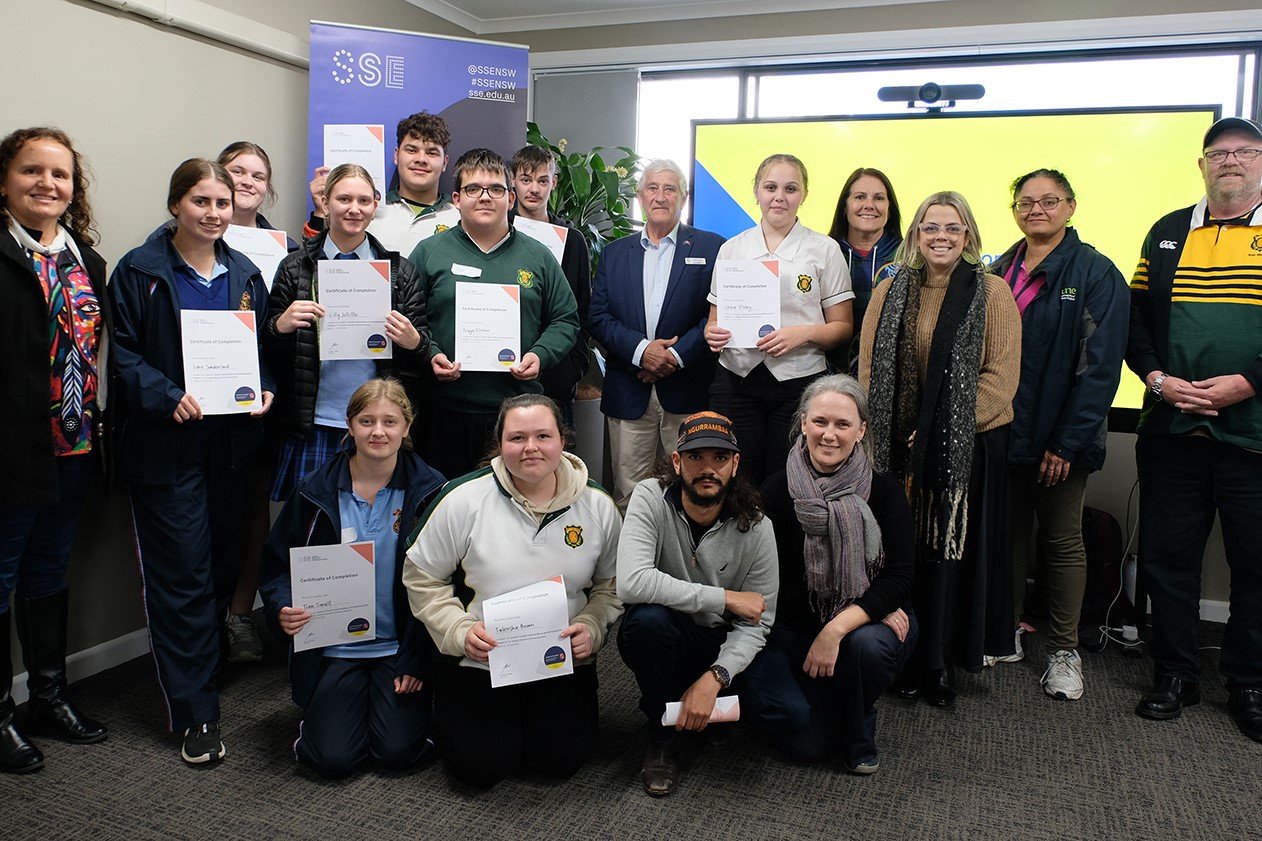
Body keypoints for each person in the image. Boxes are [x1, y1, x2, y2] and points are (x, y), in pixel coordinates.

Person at [108, 158, 274, 765]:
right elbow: (121, 356)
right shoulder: (141, 271)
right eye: (200, 201)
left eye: (222, 204)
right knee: (181, 574)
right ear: (176, 203)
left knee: (222, 566)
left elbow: (261, 351)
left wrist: (267, 389)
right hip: (166, 447)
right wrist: (166, 395)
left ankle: (203, 671)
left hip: (229, 449)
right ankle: (196, 712)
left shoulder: (246, 273)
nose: (213, 213)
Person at [403, 395, 622, 788]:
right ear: (499, 443)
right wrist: (458, 631)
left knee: (558, 762)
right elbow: (422, 576)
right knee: (479, 767)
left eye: (543, 435)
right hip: (480, 658)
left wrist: (593, 625)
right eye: (517, 437)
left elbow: (612, 585)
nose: (531, 448)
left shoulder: (598, 505)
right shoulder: (462, 498)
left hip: (559, 657)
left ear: (563, 440)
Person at [1126, 116, 1262, 743]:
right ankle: (1175, 673)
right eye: (1217, 152)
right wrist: (1156, 378)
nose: (1229, 161)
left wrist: (1247, 383)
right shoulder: (1166, 231)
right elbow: (1135, 323)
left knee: (1255, 565)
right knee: (1166, 558)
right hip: (1173, 430)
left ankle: (1249, 683)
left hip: (1253, 435)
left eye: (1243, 151)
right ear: (1201, 164)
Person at [859, 190, 1021, 707]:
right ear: (915, 235)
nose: (941, 237)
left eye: (952, 228)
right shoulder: (890, 290)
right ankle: (901, 657)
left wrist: (940, 427)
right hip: (895, 451)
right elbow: (866, 370)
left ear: (968, 235)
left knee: (949, 559)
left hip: (963, 450)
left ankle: (939, 663)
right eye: (931, 227)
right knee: (902, 556)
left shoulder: (991, 293)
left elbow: (1000, 379)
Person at [989, 169, 1129, 701]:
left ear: (1071, 207)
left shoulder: (1095, 272)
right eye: (1026, 201)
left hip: (1062, 440)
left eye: (1050, 200)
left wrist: (1066, 444)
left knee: (1062, 540)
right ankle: (1009, 631)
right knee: (1009, 536)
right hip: (1005, 431)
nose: (1037, 209)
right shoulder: (1000, 270)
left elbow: (1100, 370)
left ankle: (1064, 651)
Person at [259, 379, 445, 778]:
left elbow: (448, 582)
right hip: (333, 648)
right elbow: (276, 567)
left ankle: (402, 713)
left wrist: (417, 658)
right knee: (331, 760)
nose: (378, 431)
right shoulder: (314, 491)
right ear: (349, 425)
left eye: (390, 421)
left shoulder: (431, 492)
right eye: (366, 420)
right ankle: (329, 715)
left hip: (399, 648)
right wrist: (281, 608)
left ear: (407, 427)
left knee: (397, 754)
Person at [1, 127, 108, 774]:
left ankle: (47, 697)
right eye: (32, 171)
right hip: (11, 451)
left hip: (73, 446)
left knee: (48, 573)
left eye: (60, 174)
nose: (47, 184)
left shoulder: (85, 259)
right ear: (5, 179)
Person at [746, 375, 916, 775]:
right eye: (820, 421)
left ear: (861, 431)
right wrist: (833, 623)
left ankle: (860, 722)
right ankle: (830, 701)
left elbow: (899, 578)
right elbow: (768, 585)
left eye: (842, 424)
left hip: (857, 628)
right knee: (807, 746)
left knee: (870, 645)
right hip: (794, 628)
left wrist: (840, 625)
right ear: (803, 423)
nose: (829, 434)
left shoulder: (883, 490)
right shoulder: (775, 491)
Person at [616, 411, 777, 796]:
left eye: (720, 458)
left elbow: (759, 620)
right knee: (646, 622)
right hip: (670, 632)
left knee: (784, 713)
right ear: (677, 462)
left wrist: (715, 677)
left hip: (718, 642)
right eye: (695, 457)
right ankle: (661, 731)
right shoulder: (649, 497)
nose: (708, 469)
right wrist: (724, 598)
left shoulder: (757, 525)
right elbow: (632, 583)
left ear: (735, 464)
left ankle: (704, 701)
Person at [408, 148, 580, 480]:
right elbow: (409, 318)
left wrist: (540, 355)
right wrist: (430, 354)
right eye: (474, 189)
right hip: (444, 410)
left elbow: (566, 318)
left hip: (515, 412)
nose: (485, 197)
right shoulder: (429, 252)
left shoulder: (538, 256)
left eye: (496, 189)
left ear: (511, 198)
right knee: (443, 507)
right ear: (457, 199)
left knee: (512, 510)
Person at [263, 163, 426, 508]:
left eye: (364, 200)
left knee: (370, 525)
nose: (355, 209)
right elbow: (267, 348)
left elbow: (420, 356)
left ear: (375, 204)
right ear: (325, 200)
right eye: (344, 198)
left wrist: (414, 342)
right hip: (315, 420)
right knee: (310, 531)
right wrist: (280, 326)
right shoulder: (295, 267)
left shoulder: (400, 271)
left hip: (375, 424)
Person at [705, 153, 853, 486]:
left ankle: (779, 541)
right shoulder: (732, 249)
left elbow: (843, 328)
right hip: (737, 379)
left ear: (804, 195)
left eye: (790, 188)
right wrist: (711, 334)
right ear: (756, 191)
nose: (779, 197)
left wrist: (803, 334)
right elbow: (713, 320)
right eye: (770, 187)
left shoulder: (825, 249)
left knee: (787, 478)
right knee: (735, 476)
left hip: (798, 382)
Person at [589, 159, 725, 510]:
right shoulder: (614, 253)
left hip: (688, 389)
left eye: (670, 189)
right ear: (640, 196)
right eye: (652, 188)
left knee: (692, 491)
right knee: (630, 494)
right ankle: (632, 565)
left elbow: (717, 315)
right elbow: (598, 318)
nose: (660, 196)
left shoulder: (713, 249)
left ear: (684, 197)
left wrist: (673, 358)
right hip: (629, 389)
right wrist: (642, 350)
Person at [216, 140, 299, 665]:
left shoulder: (286, 245)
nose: (247, 181)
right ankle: (209, 625)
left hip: (272, 394)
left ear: (268, 187)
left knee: (255, 510)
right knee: (212, 514)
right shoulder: (189, 240)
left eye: (257, 175)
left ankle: (242, 615)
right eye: (236, 172)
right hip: (208, 398)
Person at [511, 144, 593, 415]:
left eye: (542, 180)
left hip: (557, 376)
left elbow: (581, 310)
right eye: (526, 180)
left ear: (553, 183)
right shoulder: (498, 232)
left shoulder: (573, 240)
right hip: (506, 371)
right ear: (513, 181)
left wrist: (573, 368)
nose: (534, 189)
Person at [306, 111, 453, 256]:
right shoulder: (365, 209)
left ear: (445, 163)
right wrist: (320, 212)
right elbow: (317, 261)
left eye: (432, 153)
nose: (421, 159)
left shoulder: (459, 216)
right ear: (396, 155)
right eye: (412, 150)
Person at [827, 167, 902, 368]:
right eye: (860, 197)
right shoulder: (822, 253)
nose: (869, 205)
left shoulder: (910, 258)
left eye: (879, 198)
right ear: (845, 206)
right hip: (828, 375)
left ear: (890, 208)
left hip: (892, 372)